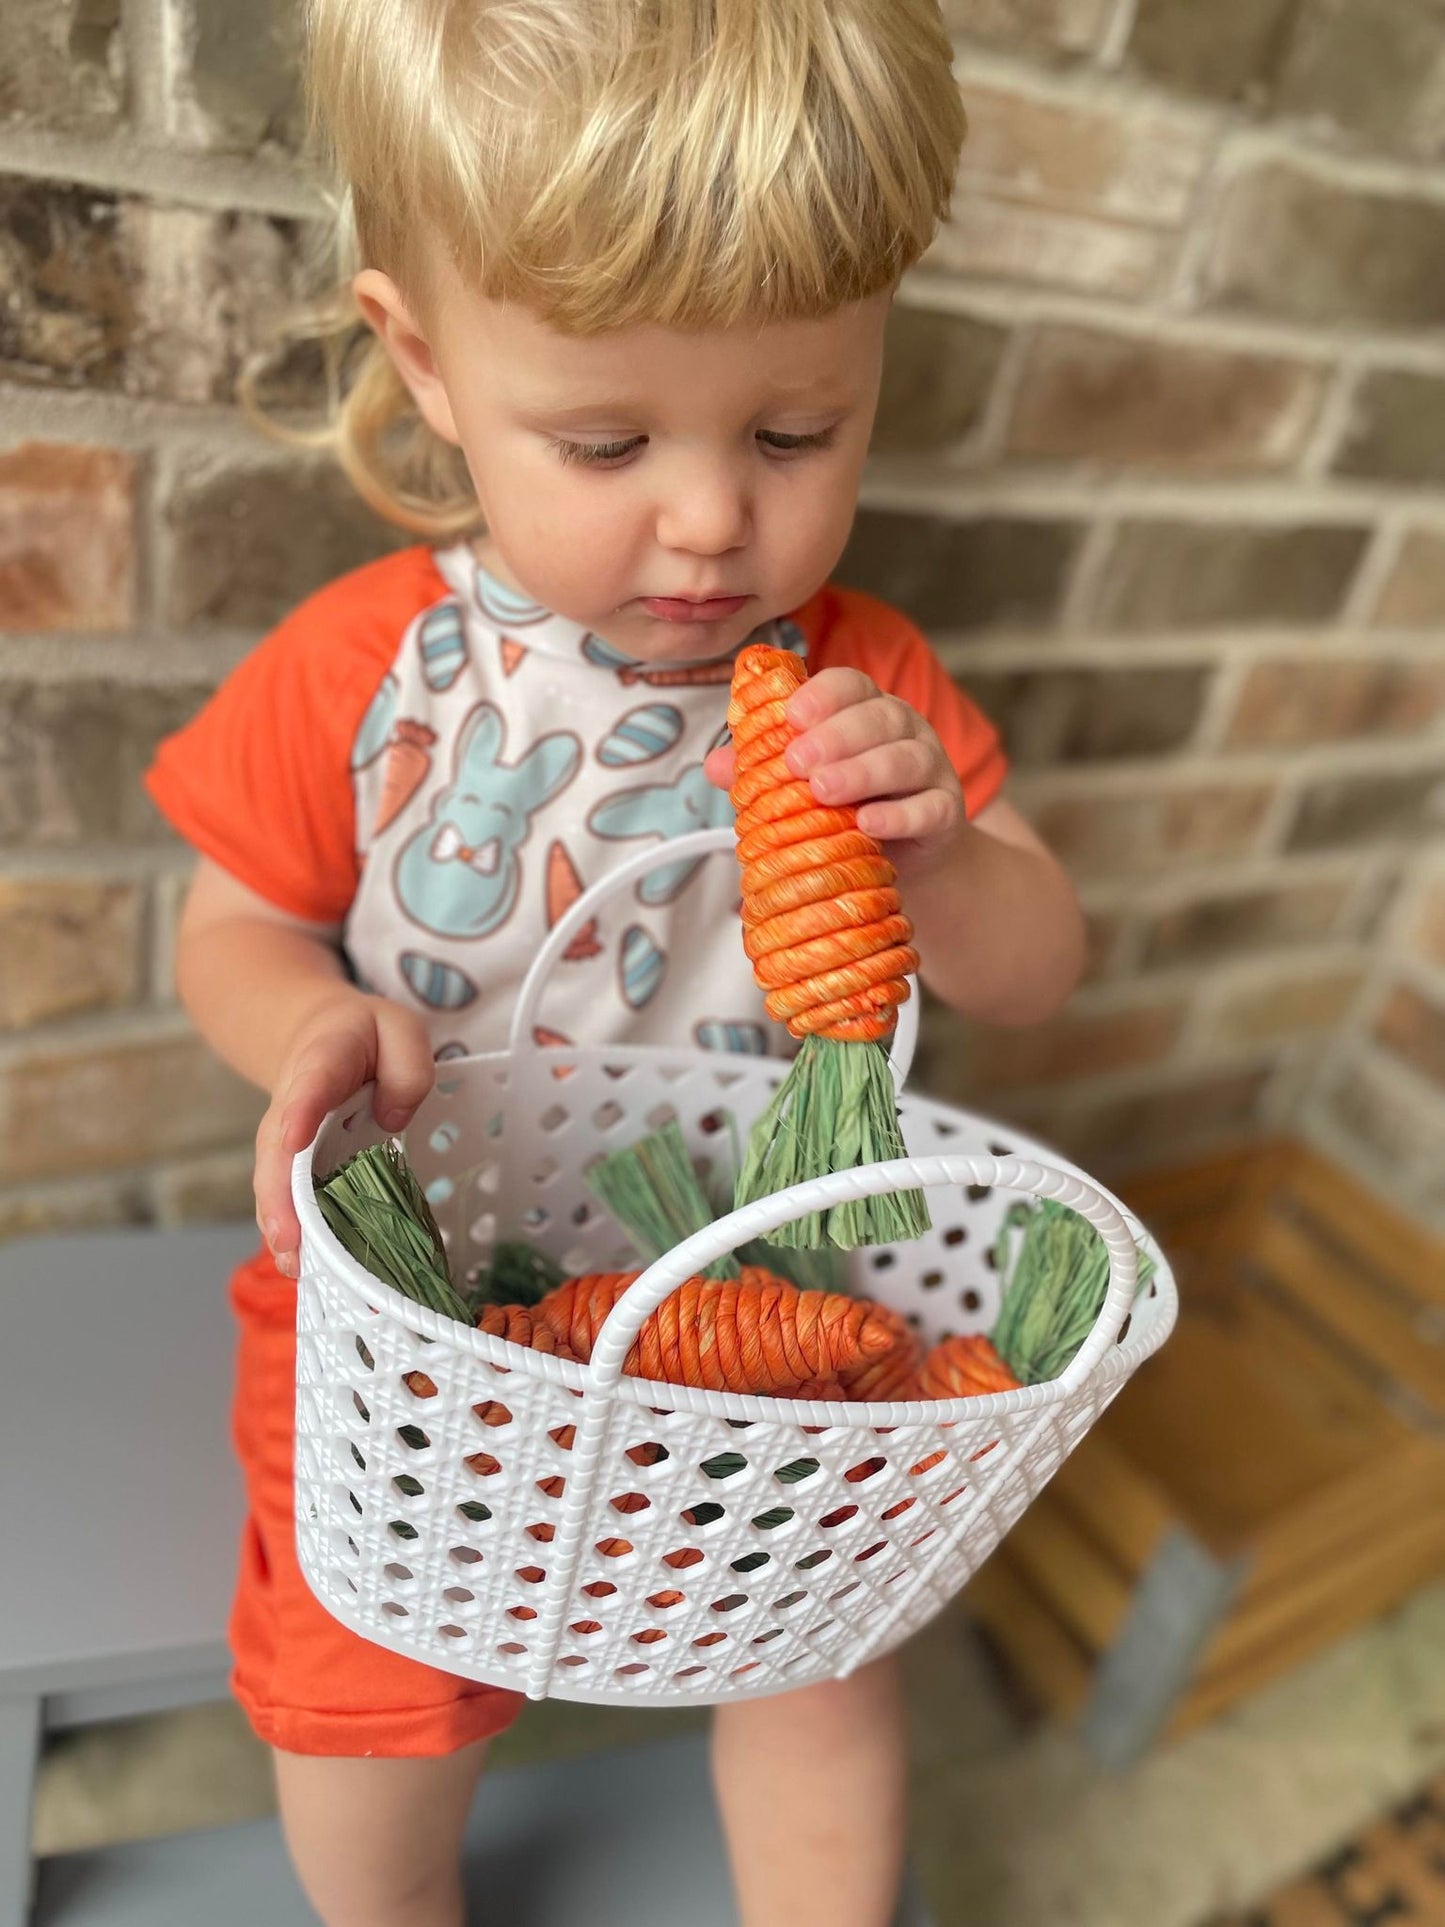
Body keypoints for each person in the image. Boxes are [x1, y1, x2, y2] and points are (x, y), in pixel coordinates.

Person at [145, 2, 1086, 1922]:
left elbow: (1036, 970)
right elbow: (227, 919)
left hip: (767, 1297)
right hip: (418, 1309)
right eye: (603, 439)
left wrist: (946, 855)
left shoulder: (863, 679)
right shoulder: (364, 669)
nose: (712, 515)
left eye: (794, 428)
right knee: (371, 1685)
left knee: (818, 1655)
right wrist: (311, 1018)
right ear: (426, 366)